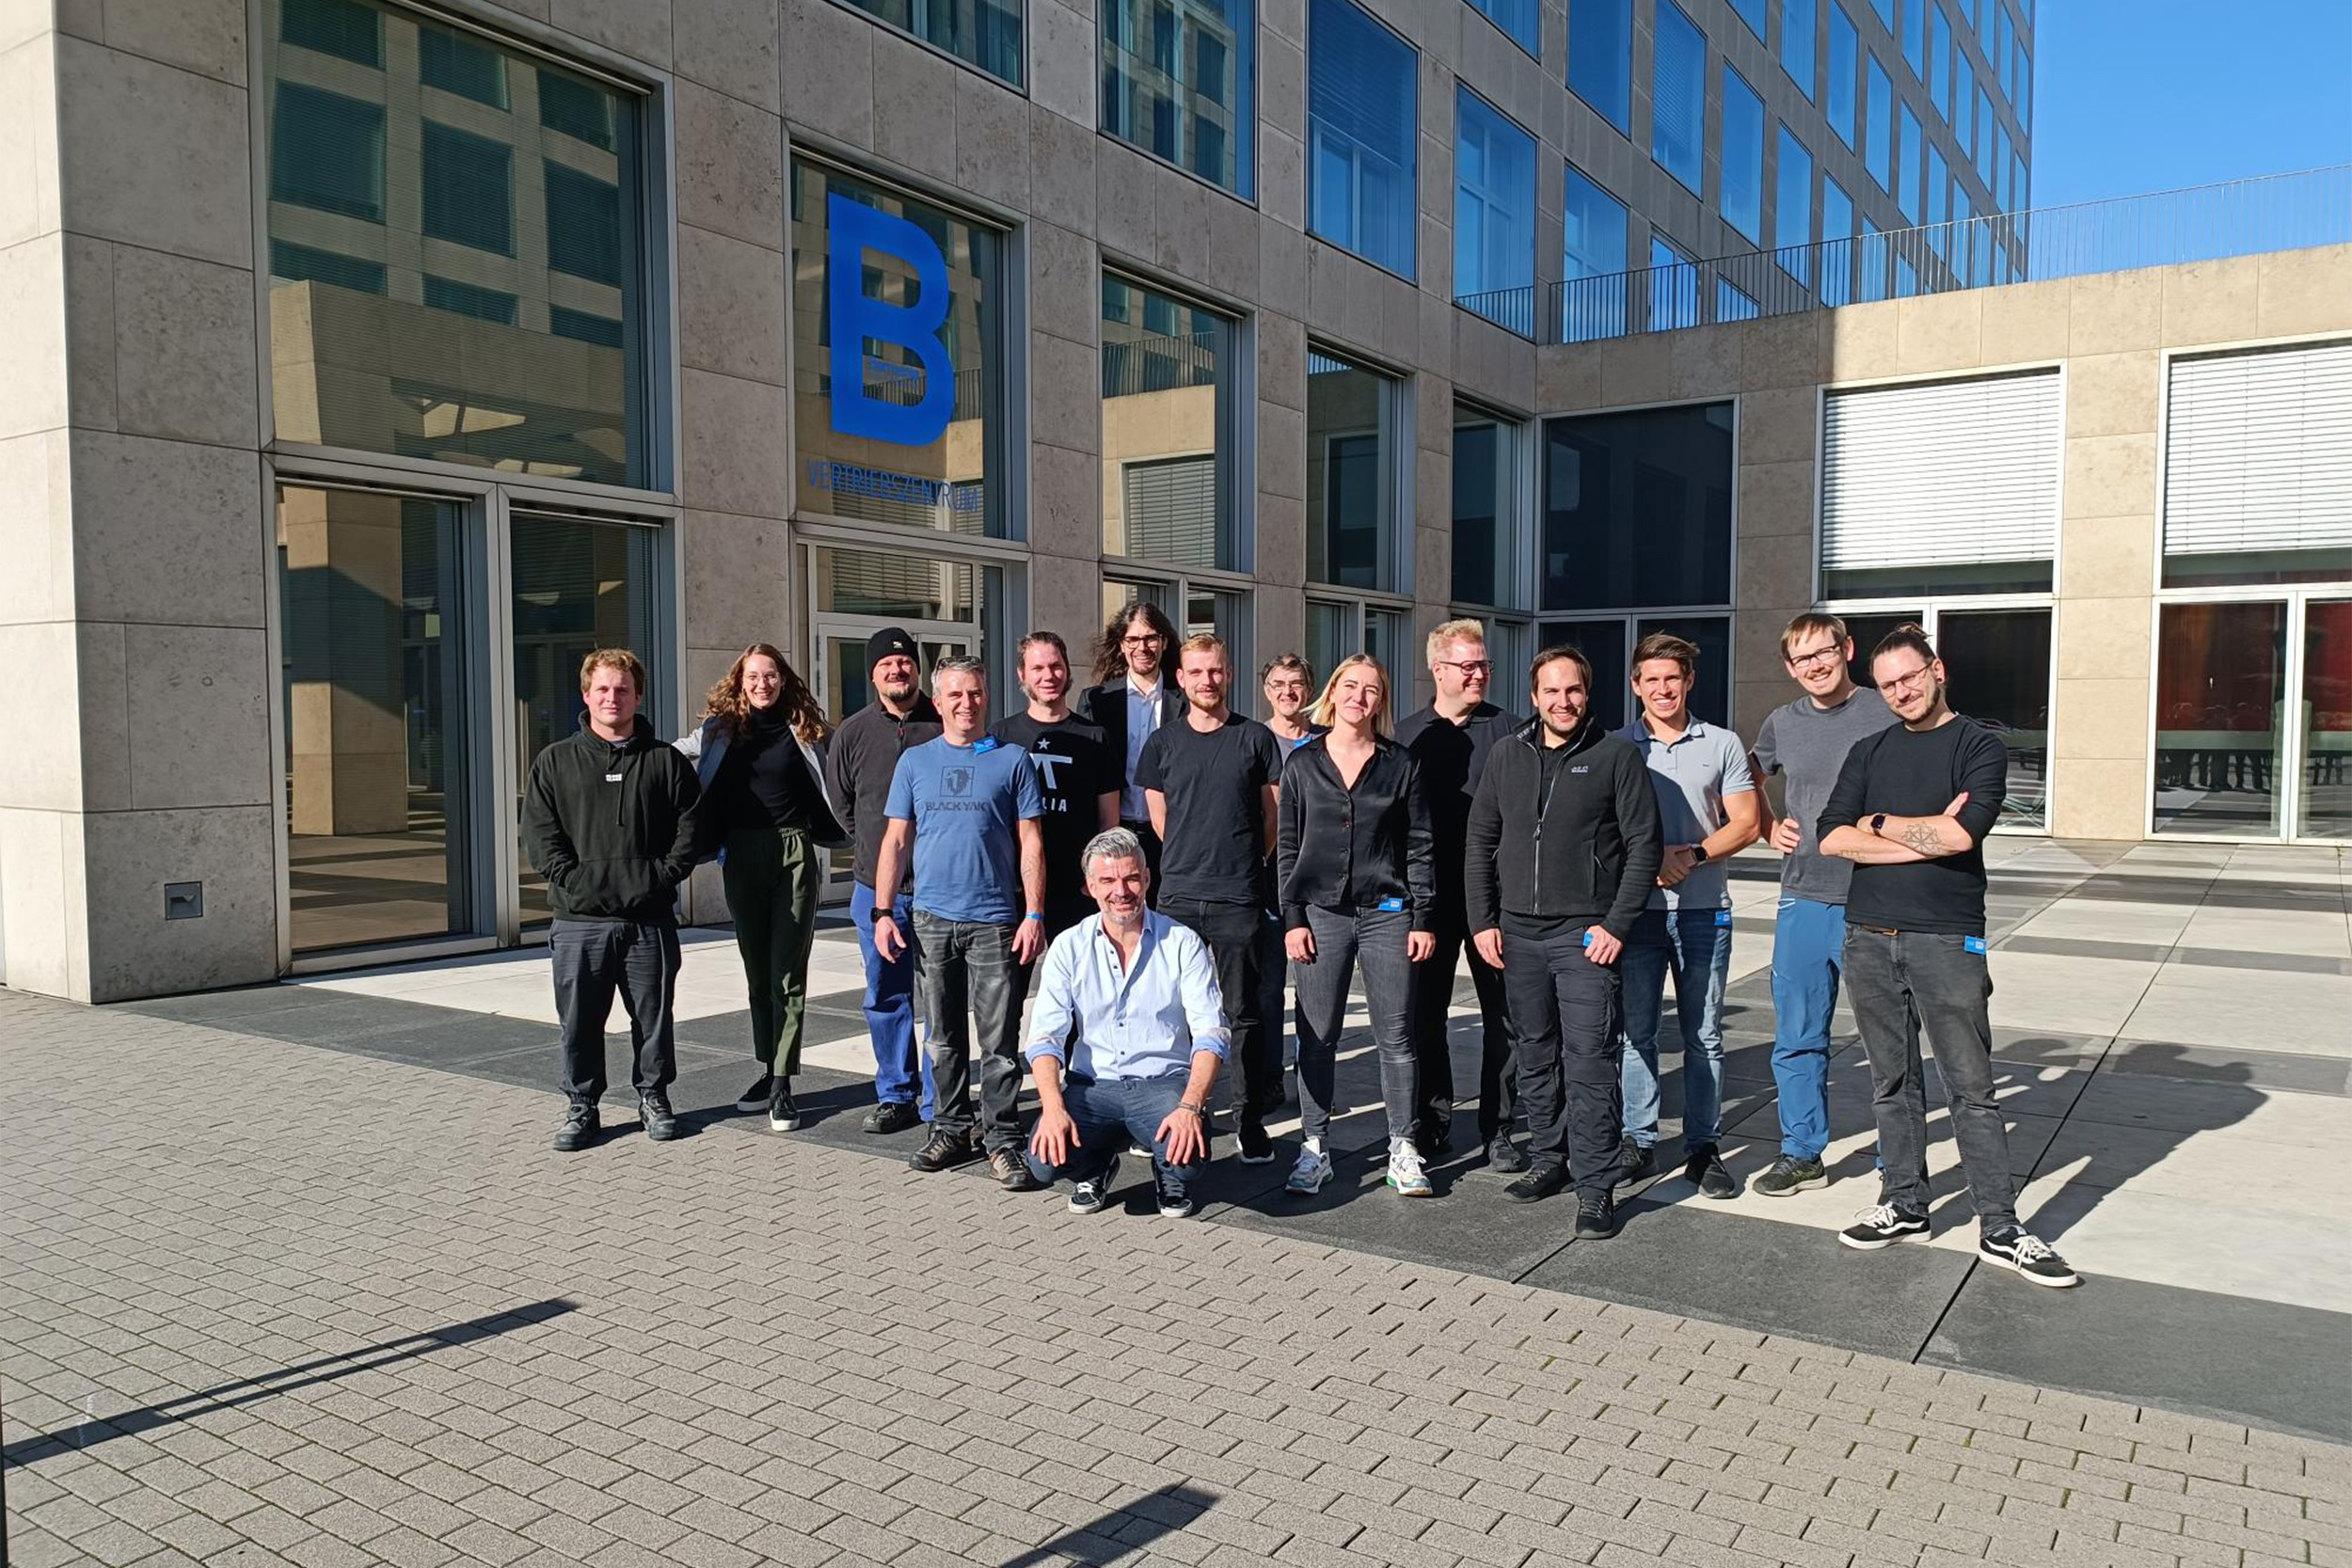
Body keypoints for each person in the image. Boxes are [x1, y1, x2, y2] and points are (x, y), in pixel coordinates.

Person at [1818, 626, 2080, 1287]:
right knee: (1891, 1082)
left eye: (1910, 677)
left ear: (1937, 670)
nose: (1900, 692)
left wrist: (1878, 823)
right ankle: (1904, 1204)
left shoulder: (1977, 746)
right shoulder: (1869, 749)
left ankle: (2000, 1225)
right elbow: (1830, 837)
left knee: (1972, 1088)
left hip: (1946, 939)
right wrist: (1918, 835)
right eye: (1887, 685)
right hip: (1868, 935)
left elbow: (1963, 835)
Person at [1464, 646, 1661, 1239]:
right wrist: (1482, 920)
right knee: (1533, 1050)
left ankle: (1596, 1187)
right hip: (1517, 934)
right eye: (1551, 691)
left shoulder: (1616, 756)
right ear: (1534, 696)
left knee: (1590, 1060)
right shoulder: (1507, 753)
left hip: (1585, 936)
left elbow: (1644, 846)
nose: (1563, 701)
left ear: (1587, 693)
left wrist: (1616, 924)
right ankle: (1550, 1158)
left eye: (1572, 690)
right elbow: (1480, 841)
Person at [872, 656, 1048, 1191]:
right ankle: (950, 1129)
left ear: (986, 697)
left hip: (995, 920)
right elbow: (896, 841)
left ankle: (1002, 1139)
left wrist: (1034, 913)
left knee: (999, 1042)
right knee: (943, 1038)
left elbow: (1031, 842)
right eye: (955, 694)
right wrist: (883, 912)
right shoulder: (915, 762)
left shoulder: (1014, 760)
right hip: (931, 918)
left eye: (975, 693)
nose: (966, 703)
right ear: (938, 700)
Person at [523, 649, 703, 1152]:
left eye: (622, 689)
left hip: (649, 919)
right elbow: (541, 837)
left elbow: (691, 830)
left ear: (638, 696)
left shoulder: (665, 761)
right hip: (579, 921)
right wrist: (577, 883)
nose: (612, 698)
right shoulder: (555, 761)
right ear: (585, 695)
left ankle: (654, 1097)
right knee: (579, 1023)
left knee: (653, 1018)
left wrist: (658, 879)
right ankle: (582, 1106)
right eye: (602, 688)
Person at [1748, 612, 1898, 1197]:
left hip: (1878, 897)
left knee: (1889, 1038)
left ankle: (1897, 1160)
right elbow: (1743, 776)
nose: (1815, 665)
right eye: (1802, 658)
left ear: (1847, 649)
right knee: (1798, 1036)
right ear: (1790, 668)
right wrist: (1767, 825)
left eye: (1824, 652)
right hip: (1805, 894)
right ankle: (1802, 1153)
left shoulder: (1886, 710)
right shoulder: (1782, 723)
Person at [1278, 656, 1438, 1199]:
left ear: (1380, 701)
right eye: (1350, 686)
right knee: (1317, 1035)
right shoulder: (1302, 764)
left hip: (1388, 914)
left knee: (1396, 1035)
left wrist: (1423, 917)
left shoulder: (1401, 764)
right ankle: (1314, 1146)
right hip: (1320, 916)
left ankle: (1403, 1147)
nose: (1359, 697)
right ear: (1332, 692)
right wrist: (1293, 918)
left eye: (1371, 689)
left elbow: (1420, 845)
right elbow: (1288, 849)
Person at [1613, 633, 1762, 1200]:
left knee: (1704, 1035)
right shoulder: (1617, 746)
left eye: (1671, 678)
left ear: (1689, 681)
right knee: (1638, 1033)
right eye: (1651, 679)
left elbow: (1746, 823)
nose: (1662, 689)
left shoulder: (1722, 742)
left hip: (1703, 911)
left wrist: (1692, 855)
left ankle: (1704, 1146)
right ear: (1636, 686)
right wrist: (1648, 863)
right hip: (1638, 913)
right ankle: (1639, 1140)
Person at [675, 644, 846, 1133]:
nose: (762, 684)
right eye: (752, 676)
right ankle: (769, 1067)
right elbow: (671, 757)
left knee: (787, 972)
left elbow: (849, 765)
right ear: (740, 681)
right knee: (756, 971)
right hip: (741, 853)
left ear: (782, 679)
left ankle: (783, 1083)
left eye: (769, 675)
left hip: (793, 851)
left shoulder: (807, 729)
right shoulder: (719, 730)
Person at [1024, 829, 1230, 1219]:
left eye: (1132, 878)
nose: (1121, 891)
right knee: (1042, 1161)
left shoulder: (1182, 942)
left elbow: (1211, 1034)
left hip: (1163, 1085)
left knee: (1187, 1160)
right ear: (1090, 887)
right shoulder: (1069, 945)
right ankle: (1094, 1166)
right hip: (1092, 1085)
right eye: (1107, 881)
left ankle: (1168, 1169)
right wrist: (1051, 1107)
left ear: (1148, 879)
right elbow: (1045, 1038)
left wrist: (1190, 1106)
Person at [1136, 634, 1287, 1162]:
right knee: (1171, 1013)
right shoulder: (1162, 743)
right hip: (1177, 896)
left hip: (1237, 896)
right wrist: (1189, 858)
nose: (1207, 680)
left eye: (1216, 671)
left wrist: (1242, 862)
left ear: (1229, 674)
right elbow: (1160, 821)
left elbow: (1272, 816)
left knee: (1242, 1013)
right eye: (1196, 672)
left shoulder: (1255, 738)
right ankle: (1174, 1112)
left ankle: (1248, 1119)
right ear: (1181, 679)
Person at [1394, 619, 1525, 1171]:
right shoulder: (1406, 736)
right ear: (1438, 669)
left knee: (1504, 1018)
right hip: (1430, 899)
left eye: (1484, 665)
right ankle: (1432, 1121)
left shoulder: (1513, 732)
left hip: (1496, 899)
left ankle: (1501, 1128)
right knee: (1426, 1016)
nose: (1479, 674)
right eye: (1468, 666)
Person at [824, 626, 943, 1134]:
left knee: (940, 998)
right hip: (877, 892)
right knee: (885, 995)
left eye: (905, 662)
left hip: (939, 889)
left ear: (917, 668)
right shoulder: (852, 733)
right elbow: (842, 805)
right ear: (873, 675)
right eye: (886, 665)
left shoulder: (944, 723)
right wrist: (879, 851)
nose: (897, 670)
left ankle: (940, 1101)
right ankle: (896, 1093)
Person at [992, 632, 1120, 1016]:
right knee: (1006, 1000)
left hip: (1076, 889)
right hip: (1016, 890)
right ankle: (1010, 1058)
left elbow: (1109, 820)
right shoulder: (1000, 737)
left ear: (1067, 671)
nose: (1048, 676)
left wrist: (1099, 879)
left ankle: (1073, 1057)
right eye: (1038, 668)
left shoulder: (1095, 737)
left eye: (1055, 666)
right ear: (1022, 675)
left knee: (1082, 996)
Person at [1078, 600, 1184, 889]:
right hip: (1115, 834)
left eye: (1150, 638)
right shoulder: (1097, 701)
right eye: (1133, 639)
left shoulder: (1185, 700)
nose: (1142, 647)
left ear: (1164, 642)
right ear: (1122, 645)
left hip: (1170, 835)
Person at [1257, 654, 1321, 1088]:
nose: (1287, 692)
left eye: (1295, 683)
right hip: (1267, 876)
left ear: (1309, 689)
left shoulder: (1326, 740)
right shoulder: (1252, 738)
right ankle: (1269, 1077)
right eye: (1278, 684)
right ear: (1267, 691)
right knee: (1268, 984)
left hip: (1317, 875)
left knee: (1315, 987)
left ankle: (1312, 1077)